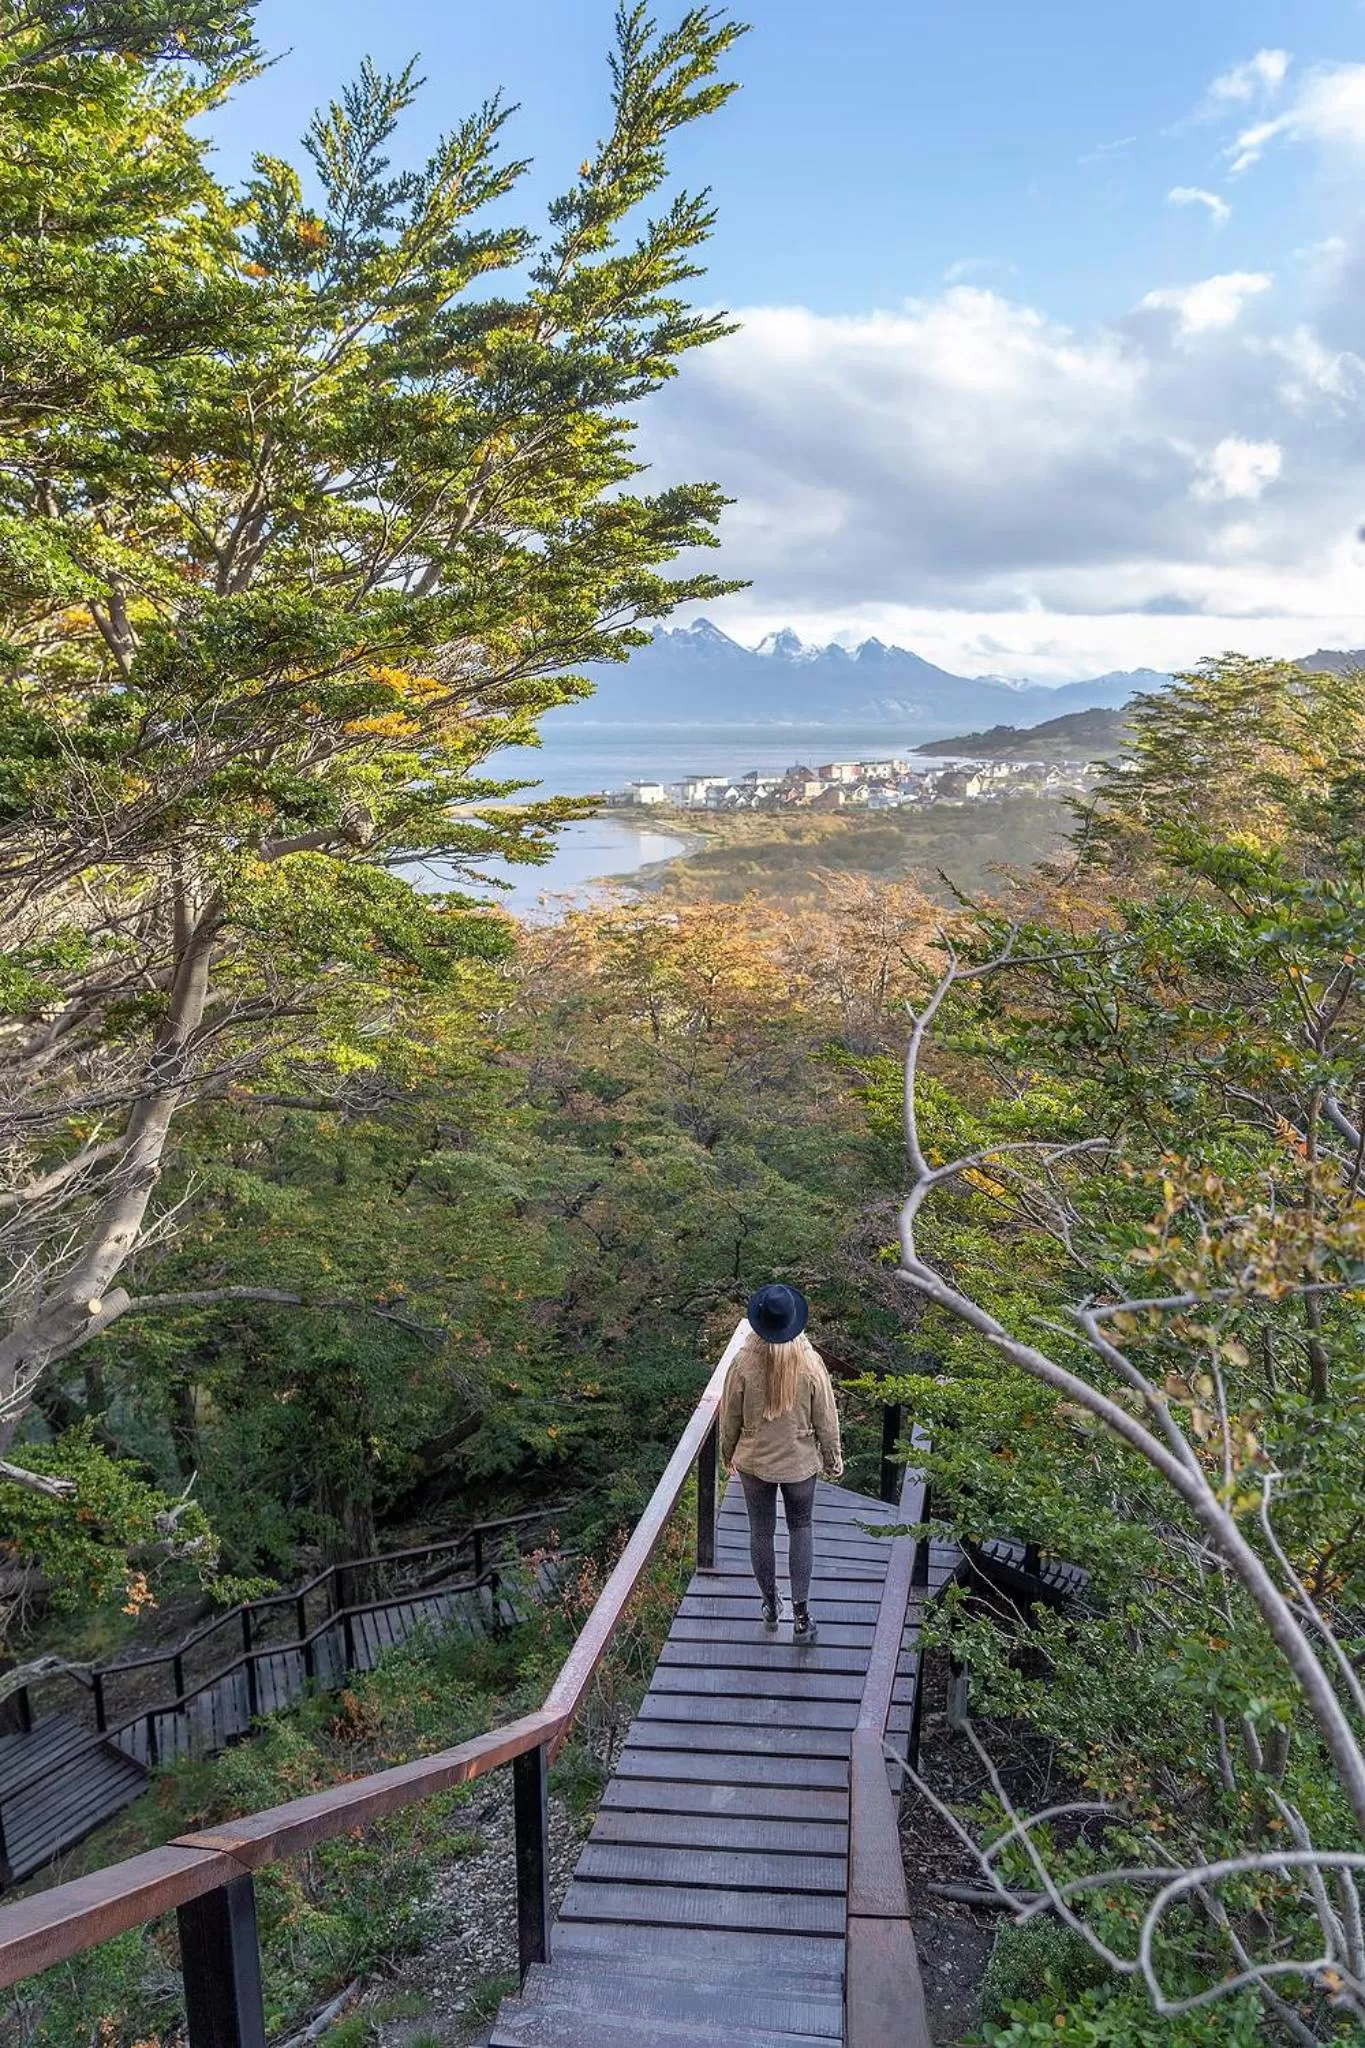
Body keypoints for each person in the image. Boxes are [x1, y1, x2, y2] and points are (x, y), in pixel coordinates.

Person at [719, 1282, 844, 1645]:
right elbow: (826, 1416)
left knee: (761, 1531)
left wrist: (727, 1454)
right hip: (800, 1460)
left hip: (755, 1461)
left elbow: (730, 1419)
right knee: (801, 1528)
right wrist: (833, 1456)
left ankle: (771, 1604)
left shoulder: (743, 1363)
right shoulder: (809, 1362)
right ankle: (802, 1617)